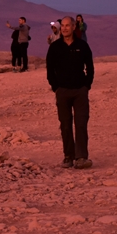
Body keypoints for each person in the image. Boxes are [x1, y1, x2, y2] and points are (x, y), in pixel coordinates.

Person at [46, 16, 94, 170]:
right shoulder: (55, 47)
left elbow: (90, 67)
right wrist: (56, 87)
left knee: (81, 124)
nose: (65, 28)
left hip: (80, 91)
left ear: (74, 27)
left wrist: (86, 85)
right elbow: (50, 69)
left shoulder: (82, 45)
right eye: (63, 26)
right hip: (62, 91)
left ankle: (81, 157)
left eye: (68, 25)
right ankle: (68, 156)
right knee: (65, 124)